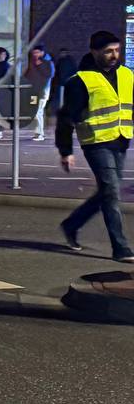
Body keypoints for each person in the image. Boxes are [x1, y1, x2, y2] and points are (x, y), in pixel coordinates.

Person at [57, 30, 134, 263]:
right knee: (111, 191)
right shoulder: (80, 81)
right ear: (94, 52)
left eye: (117, 50)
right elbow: (66, 118)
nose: (114, 55)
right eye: (108, 51)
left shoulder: (127, 74)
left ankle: (72, 224)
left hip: (121, 139)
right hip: (96, 142)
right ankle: (120, 248)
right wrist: (66, 151)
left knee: (107, 192)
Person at [24, 45, 54, 142]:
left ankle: (39, 133)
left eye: (37, 52)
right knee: (34, 111)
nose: (35, 55)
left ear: (42, 52)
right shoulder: (32, 63)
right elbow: (28, 76)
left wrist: (40, 65)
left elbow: (50, 74)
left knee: (38, 111)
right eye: (34, 53)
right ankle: (38, 132)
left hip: (42, 92)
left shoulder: (48, 62)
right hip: (33, 92)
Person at [53, 47, 78, 111]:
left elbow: (74, 71)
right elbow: (57, 72)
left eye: (63, 53)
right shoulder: (61, 61)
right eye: (61, 53)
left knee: (66, 98)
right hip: (63, 83)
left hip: (66, 83)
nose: (62, 54)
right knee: (63, 98)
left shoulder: (68, 61)